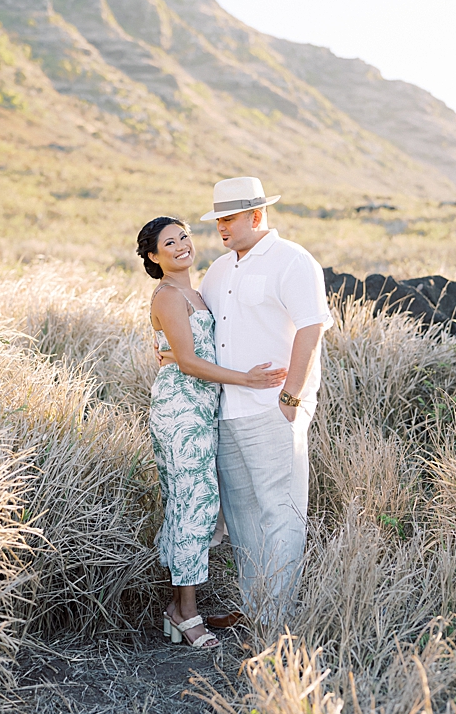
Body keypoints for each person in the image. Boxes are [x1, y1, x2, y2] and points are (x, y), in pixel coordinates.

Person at [137, 215, 287, 649]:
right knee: (195, 504)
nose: (182, 245)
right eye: (170, 242)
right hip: (180, 410)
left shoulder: (196, 292)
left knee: (195, 504)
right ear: (154, 256)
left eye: (184, 236)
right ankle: (186, 613)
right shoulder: (167, 295)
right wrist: (247, 379)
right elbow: (187, 362)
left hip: (204, 409)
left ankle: (175, 607)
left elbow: (195, 348)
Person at [195, 177, 332, 628]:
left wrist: (291, 397)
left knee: (282, 511)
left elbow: (311, 328)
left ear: (256, 216)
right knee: (242, 519)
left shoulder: (292, 260)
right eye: (218, 220)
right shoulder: (217, 270)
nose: (222, 227)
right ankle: (256, 608)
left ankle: (275, 617)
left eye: (229, 218)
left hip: (275, 409)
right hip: (226, 412)